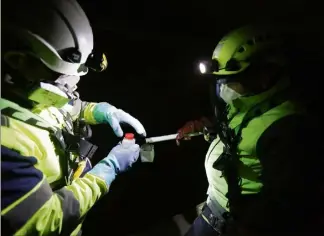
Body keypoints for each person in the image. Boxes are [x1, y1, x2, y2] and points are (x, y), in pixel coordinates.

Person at [1, 0, 146, 235]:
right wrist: (107, 171)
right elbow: (44, 220)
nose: (75, 82)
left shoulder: (28, 92)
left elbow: (65, 107)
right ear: (19, 61)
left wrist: (101, 111)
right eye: (63, 76)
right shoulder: (5, 142)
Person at [175, 25, 323, 235]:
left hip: (232, 225)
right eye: (221, 81)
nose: (225, 89)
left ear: (264, 75)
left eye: (232, 81)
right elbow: (236, 126)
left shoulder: (288, 129)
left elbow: (285, 203)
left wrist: (246, 227)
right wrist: (203, 126)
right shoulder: (251, 100)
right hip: (212, 211)